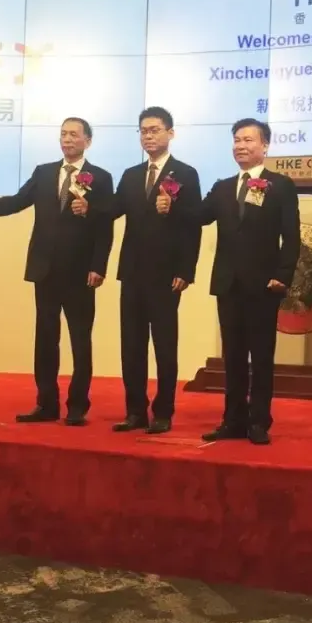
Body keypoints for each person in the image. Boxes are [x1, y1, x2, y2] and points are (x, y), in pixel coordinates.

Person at [156, 118, 299, 445]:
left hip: (264, 285)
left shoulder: (280, 185)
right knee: (233, 357)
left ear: (265, 146)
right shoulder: (222, 187)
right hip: (228, 284)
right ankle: (233, 420)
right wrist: (171, 206)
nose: (241, 146)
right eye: (236, 140)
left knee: (261, 357)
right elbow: (198, 217)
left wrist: (283, 275)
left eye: (248, 140)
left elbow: (291, 236)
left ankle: (259, 422)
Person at [0, 117, 114, 427]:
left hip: (81, 273)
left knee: (80, 341)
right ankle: (46, 403)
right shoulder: (44, 172)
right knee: (46, 340)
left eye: (74, 134)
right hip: (45, 270)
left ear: (88, 141)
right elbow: (19, 201)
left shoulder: (100, 178)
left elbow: (105, 226)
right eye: (63, 134)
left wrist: (98, 266)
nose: (67, 139)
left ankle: (77, 406)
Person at [104, 107, 202, 434]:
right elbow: (114, 208)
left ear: (170, 133)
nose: (148, 136)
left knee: (164, 346)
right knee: (131, 346)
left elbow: (194, 225)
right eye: (143, 131)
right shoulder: (131, 175)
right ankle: (135, 411)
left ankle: (163, 412)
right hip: (132, 272)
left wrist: (185, 270)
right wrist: (88, 205)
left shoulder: (185, 174)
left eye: (155, 130)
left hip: (166, 274)